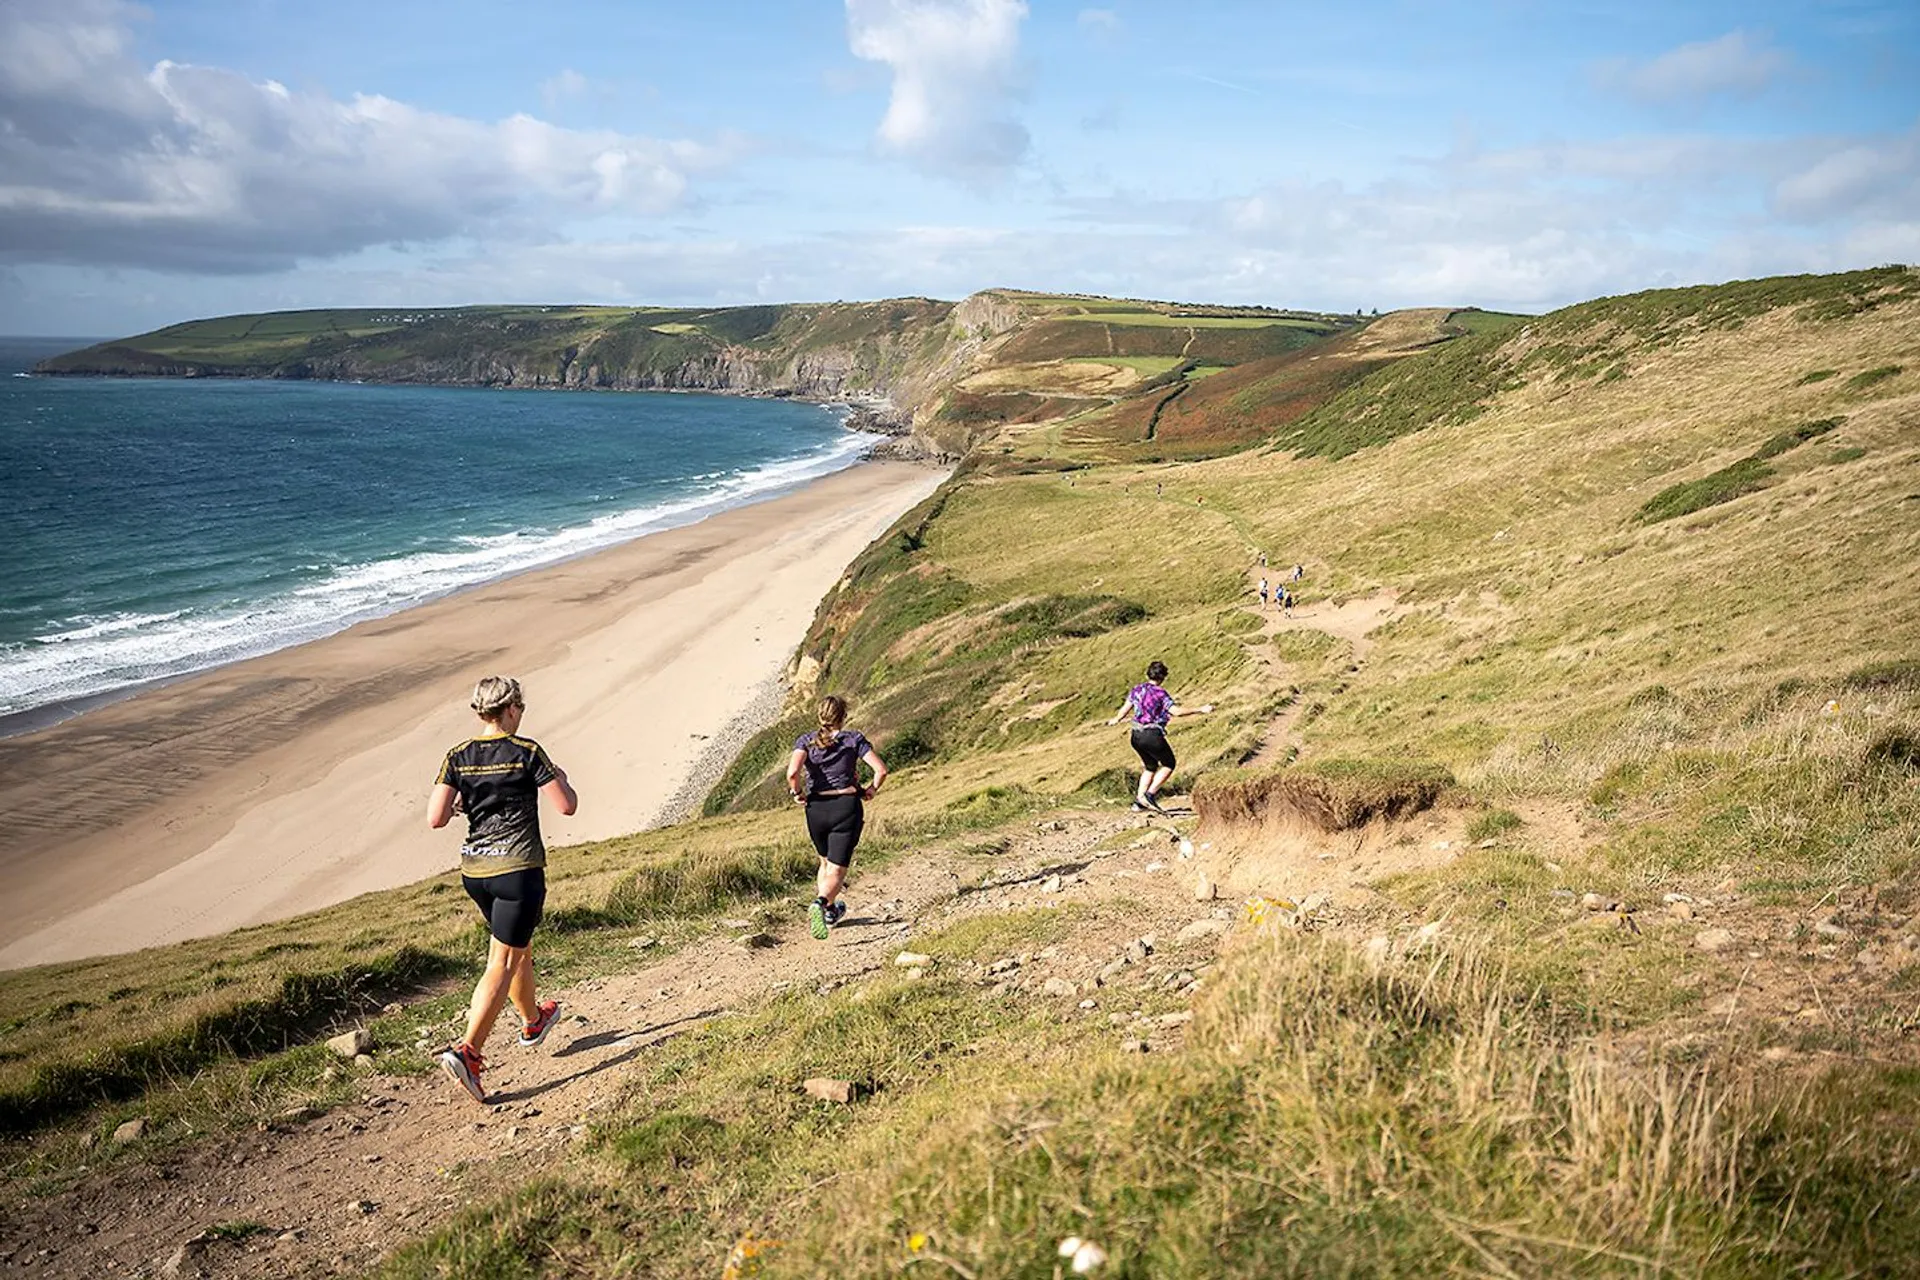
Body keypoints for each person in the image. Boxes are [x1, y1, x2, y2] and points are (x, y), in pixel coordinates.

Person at [427, 676, 578, 1104]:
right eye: (521, 708)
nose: (521, 715)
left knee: (517, 948)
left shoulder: (457, 755)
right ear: (510, 708)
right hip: (518, 869)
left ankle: (533, 1021)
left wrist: (465, 806)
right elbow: (566, 806)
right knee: (504, 959)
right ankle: (468, 1052)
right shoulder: (526, 752)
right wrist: (561, 777)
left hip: (476, 873)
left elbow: (435, 817)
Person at [787, 694, 888, 940]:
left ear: (820, 716)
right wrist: (871, 790)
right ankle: (820, 904)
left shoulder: (806, 741)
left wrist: (797, 793)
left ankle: (830, 912)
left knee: (824, 863)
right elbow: (881, 769)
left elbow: (792, 773)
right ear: (843, 717)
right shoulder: (853, 739)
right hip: (845, 807)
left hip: (816, 808)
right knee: (838, 871)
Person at [1107, 661, 1212, 815]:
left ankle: (1139, 802)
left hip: (1136, 735)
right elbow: (1176, 712)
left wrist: (1116, 719)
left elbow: (1124, 709)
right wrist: (1200, 709)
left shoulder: (1137, 690)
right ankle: (1150, 795)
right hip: (1152, 734)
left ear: (1148, 674)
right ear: (1162, 677)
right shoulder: (1160, 693)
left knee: (1150, 766)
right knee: (1169, 763)